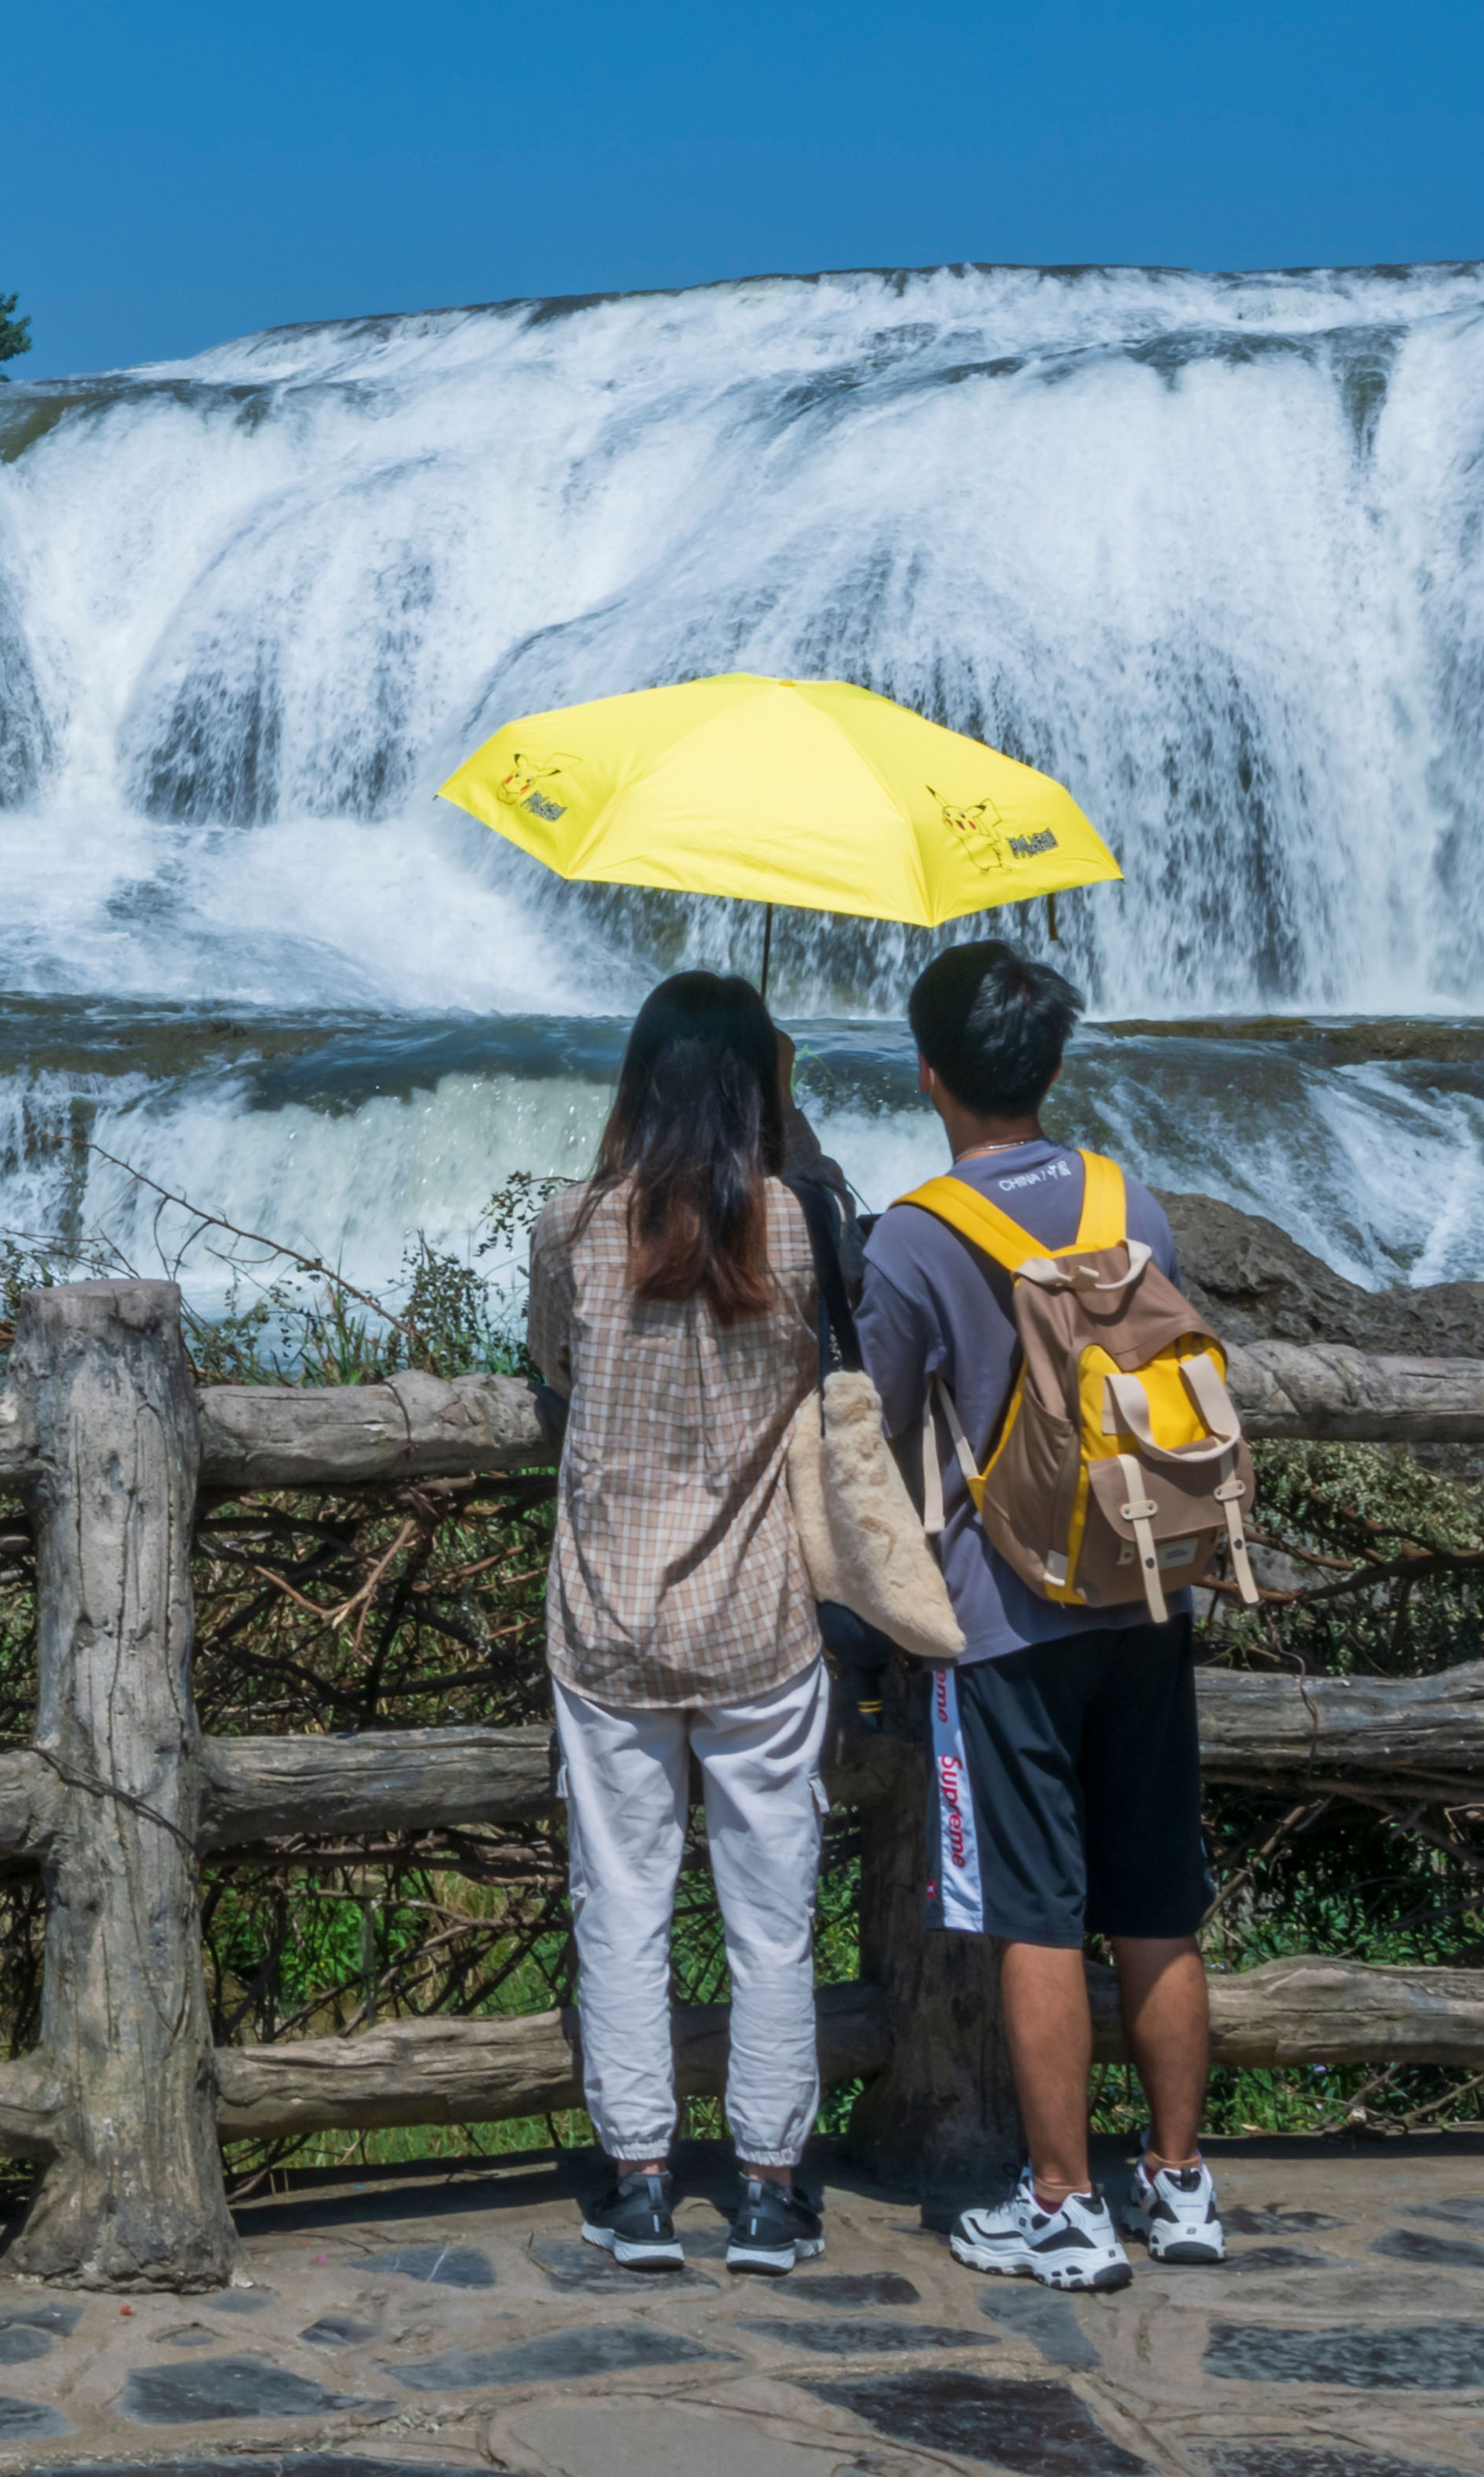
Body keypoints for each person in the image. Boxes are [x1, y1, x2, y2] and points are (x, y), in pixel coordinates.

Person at [856, 937, 1224, 2291]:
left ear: (928, 1072)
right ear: (1055, 1065)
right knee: (1154, 1899)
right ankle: (1179, 2185)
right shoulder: (1132, 1200)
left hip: (1003, 1623)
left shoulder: (914, 1233)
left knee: (1032, 1912)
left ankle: (1063, 2202)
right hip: (1144, 1590)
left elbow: (878, 1430)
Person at [525, 966, 833, 2274]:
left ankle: (640, 2180)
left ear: (637, 1083)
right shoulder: (801, 1221)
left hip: (609, 1618)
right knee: (773, 1912)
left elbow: (550, 1368)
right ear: (758, 1086)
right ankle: (768, 2189)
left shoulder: (573, 1222)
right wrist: (788, 1123)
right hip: (762, 1616)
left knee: (623, 1901)